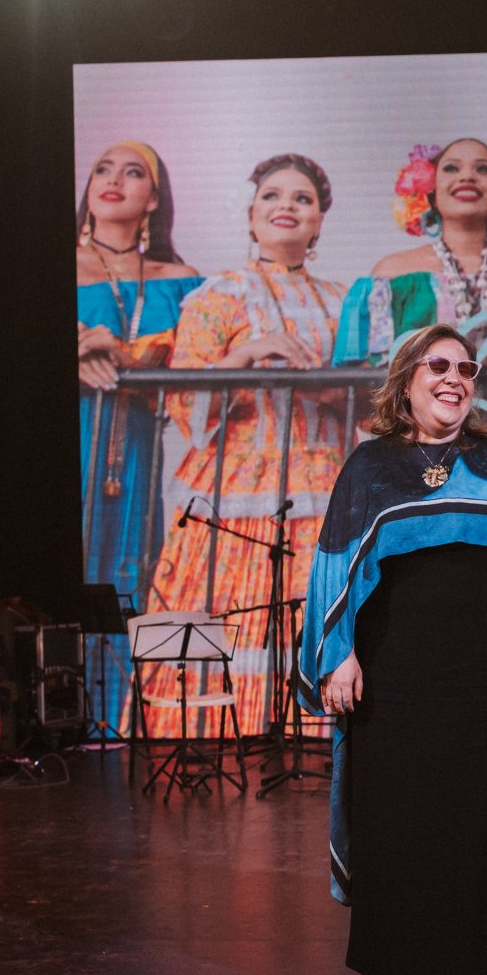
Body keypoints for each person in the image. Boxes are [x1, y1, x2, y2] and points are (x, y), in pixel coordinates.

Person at [296, 324, 487, 975]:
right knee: (401, 813)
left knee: (482, 812)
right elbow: (334, 572)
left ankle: (482, 957)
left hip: (486, 673)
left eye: (466, 368)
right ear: (407, 378)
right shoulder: (370, 466)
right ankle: (404, 965)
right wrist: (340, 655)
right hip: (395, 674)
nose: (454, 378)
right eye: (438, 365)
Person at [141, 153, 348, 735]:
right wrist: (248, 355)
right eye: (272, 196)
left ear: (319, 222)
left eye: (303, 199)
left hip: (325, 482)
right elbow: (186, 405)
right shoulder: (217, 294)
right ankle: (196, 731)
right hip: (232, 490)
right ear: (252, 215)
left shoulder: (344, 300)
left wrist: (323, 384)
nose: (287, 206)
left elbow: (370, 399)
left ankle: (313, 726)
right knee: (220, 598)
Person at [74, 142, 201, 612]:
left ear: (153, 199)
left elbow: (196, 362)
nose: (113, 180)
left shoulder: (181, 279)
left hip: (140, 449)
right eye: (102, 170)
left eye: (131, 172)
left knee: (136, 574)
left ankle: (127, 689)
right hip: (79, 435)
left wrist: (122, 355)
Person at [335, 138, 487, 370]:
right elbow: (360, 384)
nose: (467, 176)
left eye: (482, 169)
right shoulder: (390, 276)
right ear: (429, 189)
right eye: (451, 168)